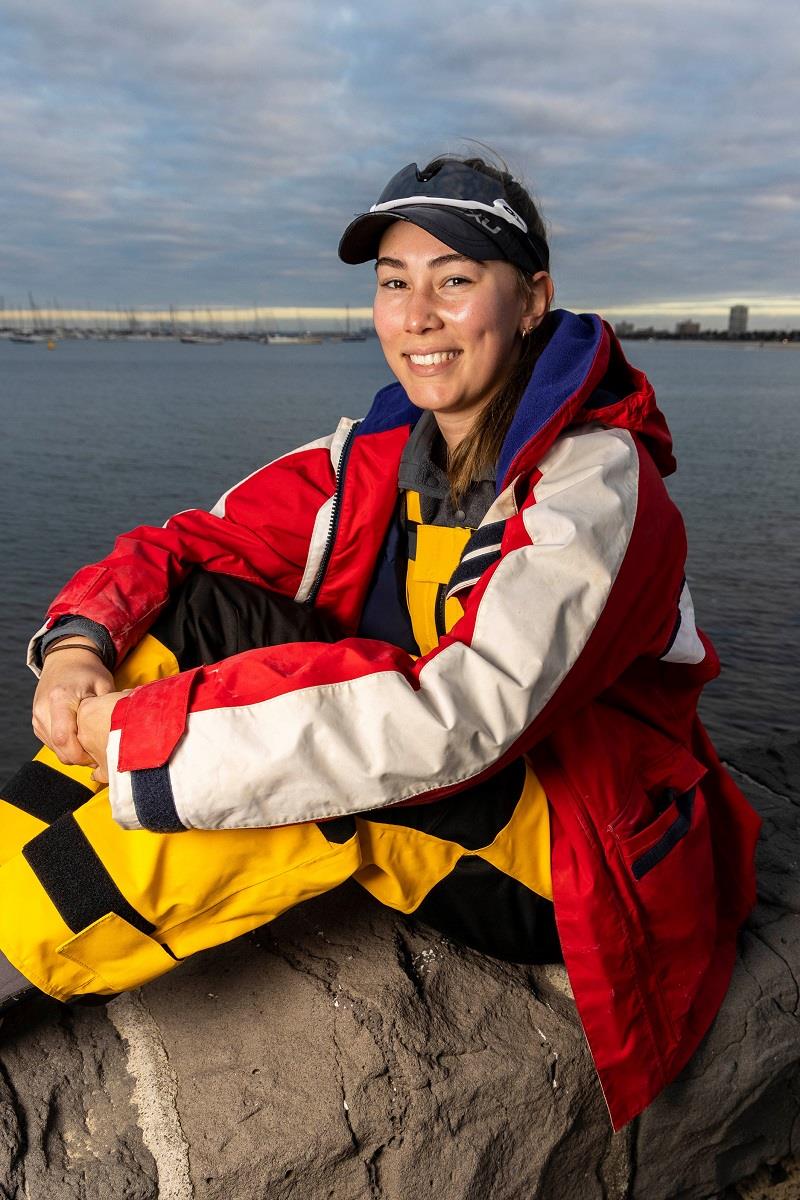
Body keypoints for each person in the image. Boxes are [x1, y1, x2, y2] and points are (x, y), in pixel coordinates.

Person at [0, 154, 759, 1130]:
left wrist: (159, 738)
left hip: (571, 843)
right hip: (450, 771)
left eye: (453, 280)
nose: (416, 315)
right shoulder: (379, 453)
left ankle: (24, 941)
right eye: (394, 284)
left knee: (289, 776)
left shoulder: (594, 483)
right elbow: (184, 547)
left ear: (530, 301)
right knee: (191, 612)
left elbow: (461, 718)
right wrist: (76, 648)